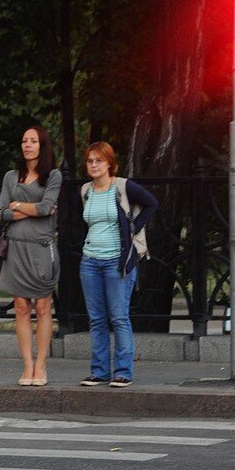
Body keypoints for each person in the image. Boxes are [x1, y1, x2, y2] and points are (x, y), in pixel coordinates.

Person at [78, 141, 158, 388]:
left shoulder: (122, 187)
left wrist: (134, 227)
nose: (94, 165)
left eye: (98, 160)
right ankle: (99, 371)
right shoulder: (85, 191)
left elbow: (151, 203)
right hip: (90, 260)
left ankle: (123, 371)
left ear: (109, 164)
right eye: (90, 160)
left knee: (119, 317)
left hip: (117, 261)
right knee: (97, 319)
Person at [0, 125, 62, 386]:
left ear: (42, 145)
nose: (27, 145)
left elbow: (48, 207)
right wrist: (30, 210)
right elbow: (1, 212)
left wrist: (18, 206)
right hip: (16, 247)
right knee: (21, 308)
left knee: (43, 307)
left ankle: (42, 366)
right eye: (24, 140)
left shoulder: (53, 176)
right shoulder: (11, 177)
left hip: (41, 248)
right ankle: (28, 365)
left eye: (33, 141)